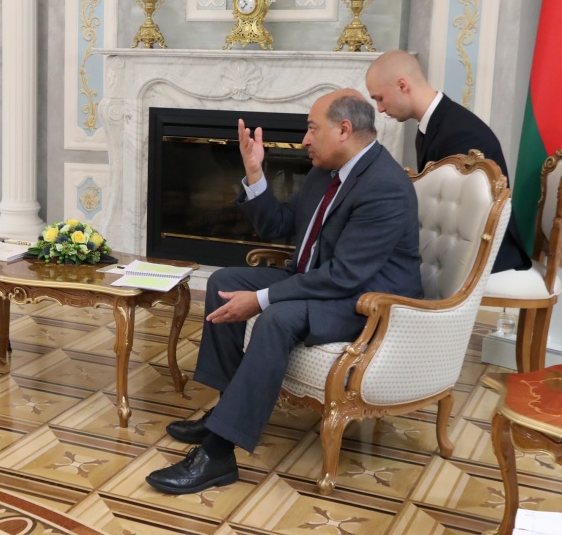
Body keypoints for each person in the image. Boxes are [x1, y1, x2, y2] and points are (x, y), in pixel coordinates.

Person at [146, 90, 422, 495]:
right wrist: (254, 173)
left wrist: (260, 300)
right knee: (223, 283)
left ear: (344, 130)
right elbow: (278, 225)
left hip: (367, 303)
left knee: (276, 317)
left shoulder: (385, 186)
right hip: (324, 283)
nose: (304, 139)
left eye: (312, 129)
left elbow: (345, 276)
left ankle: (218, 454)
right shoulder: (327, 171)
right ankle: (224, 412)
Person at [365, 49, 531, 273]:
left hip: (487, 256)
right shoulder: (438, 122)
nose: (380, 108)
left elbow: (459, 218)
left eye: (380, 98)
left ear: (402, 85)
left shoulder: (460, 135)